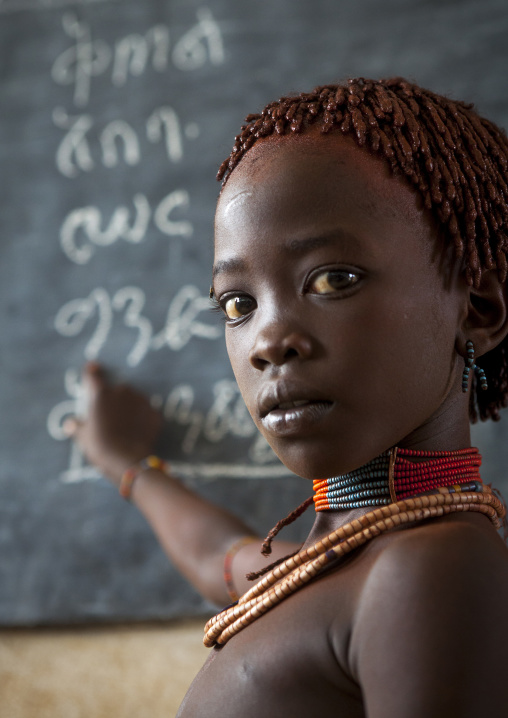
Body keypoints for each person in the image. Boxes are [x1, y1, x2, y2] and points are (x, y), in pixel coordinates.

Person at [65, 77, 508, 717]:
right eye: (238, 304)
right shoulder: (335, 558)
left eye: (333, 279)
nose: (269, 341)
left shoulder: (433, 569)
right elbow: (218, 558)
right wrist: (126, 463)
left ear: (480, 309)